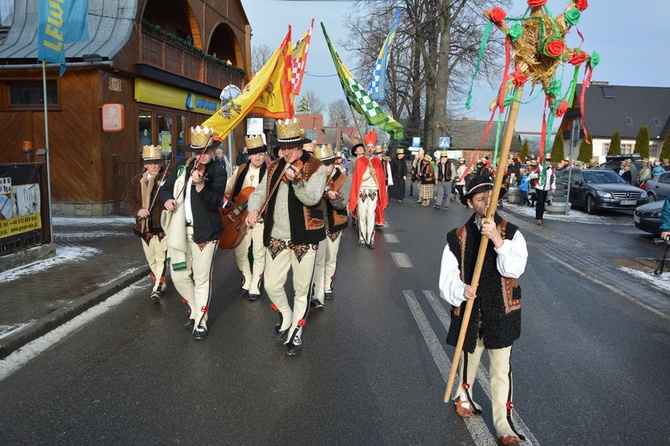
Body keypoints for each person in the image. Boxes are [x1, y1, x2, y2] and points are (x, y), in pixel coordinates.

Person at [438, 175, 528, 446]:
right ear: (470, 203)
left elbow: (514, 268)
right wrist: (460, 290)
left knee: (501, 369)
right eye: (480, 199)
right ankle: (463, 396)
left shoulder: (511, 232)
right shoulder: (458, 237)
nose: (487, 203)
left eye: (490, 197)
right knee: (469, 358)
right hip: (472, 308)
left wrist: (497, 241)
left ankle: (504, 426)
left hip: (501, 309)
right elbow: (447, 276)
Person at [245, 118, 327, 356]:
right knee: (271, 284)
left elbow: (312, 198)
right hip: (277, 236)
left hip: (304, 237)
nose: (286, 151)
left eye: (290, 147)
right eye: (283, 147)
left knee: (301, 290)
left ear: (301, 145)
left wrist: (297, 181)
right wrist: (253, 208)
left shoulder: (316, 167)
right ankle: (286, 314)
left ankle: (296, 334)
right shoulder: (274, 166)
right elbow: (260, 193)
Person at [159, 126, 227, 340]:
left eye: (205, 151)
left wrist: (200, 186)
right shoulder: (183, 167)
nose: (201, 155)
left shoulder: (218, 170)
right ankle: (196, 308)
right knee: (178, 276)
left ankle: (200, 322)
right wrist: (167, 200)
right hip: (181, 231)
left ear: (212, 150)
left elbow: (216, 201)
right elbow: (165, 189)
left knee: (201, 278)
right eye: (198, 151)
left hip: (206, 233)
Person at [224, 134, 268, 301]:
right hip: (240, 218)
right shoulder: (241, 169)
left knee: (258, 251)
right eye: (255, 154)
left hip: (260, 218)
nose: (258, 157)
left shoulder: (269, 172)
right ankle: (247, 277)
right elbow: (229, 187)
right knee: (240, 251)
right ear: (249, 155)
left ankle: (256, 281)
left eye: (261, 154)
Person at [125, 145, 169, 300]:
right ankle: (159, 281)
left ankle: (157, 287)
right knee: (151, 258)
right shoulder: (137, 180)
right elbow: (129, 200)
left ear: (161, 163)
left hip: (162, 226)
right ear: (145, 164)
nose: (154, 165)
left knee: (161, 256)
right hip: (144, 226)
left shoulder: (167, 178)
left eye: (156, 162)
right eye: (150, 163)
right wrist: (138, 210)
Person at [310, 144, 351, 308]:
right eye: (321, 164)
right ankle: (317, 294)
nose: (325, 168)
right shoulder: (314, 178)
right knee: (318, 259)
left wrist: (332, 196)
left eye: (328, 164)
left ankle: (328, 285)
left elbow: (342, 204)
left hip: (335, 223)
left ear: (334, 163)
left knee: (331, 257)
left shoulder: (344, 179)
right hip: (318, 223)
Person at [349, 130, 388, 248]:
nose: (370, 148)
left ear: (374, 148)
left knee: (371, 214)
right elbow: (358, 179)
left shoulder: (377, 162)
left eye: (372, 147)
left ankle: (370, 237)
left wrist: (375, 175)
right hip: (362, 191)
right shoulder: (359, 161)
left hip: (373, 191)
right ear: (365, 147)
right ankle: (362, 236)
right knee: (362, 214)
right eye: (368, 146)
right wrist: (368, 174)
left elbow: (380, 180)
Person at [534, 156, 556, 225]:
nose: (548, 162)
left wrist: (553, 188)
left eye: (549, 160)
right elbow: (532, 175)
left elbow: (553, 179)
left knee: (543, 202)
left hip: (546, 187)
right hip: (539, 186)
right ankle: (538, 218)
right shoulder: (539, 167)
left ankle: (541, 217)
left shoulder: (551, 169)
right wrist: (538, 175)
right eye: (546, 160)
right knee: (539, 202)